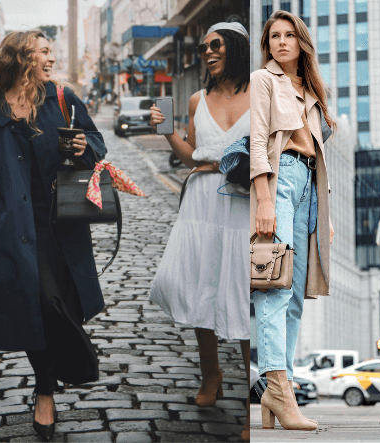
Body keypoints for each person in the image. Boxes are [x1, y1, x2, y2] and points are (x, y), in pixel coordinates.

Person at [0, 29, 107, 441]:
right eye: (43, 51)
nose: (51, 58)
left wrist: (82, 148)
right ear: (20, 58)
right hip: (16, 229)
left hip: (65, 224)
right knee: (38, 305)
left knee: (63, 304)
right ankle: (47, 387)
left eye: (51, 51)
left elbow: (96, 141)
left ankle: (54, 375)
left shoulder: (60, 97)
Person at [145, 21, 255, 412]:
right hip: (202, 200)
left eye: (216, 45)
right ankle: (212, 376)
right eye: (204, 47)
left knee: (244, 292)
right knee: (199, 283)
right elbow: (192, 155)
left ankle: (252, 394)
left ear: (236, 48)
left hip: (243, 200)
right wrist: (165, 132)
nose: (208, 52)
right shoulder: (196, 100)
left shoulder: (262, 94)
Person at [247, 10, 335, 431]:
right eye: (274, 36)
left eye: (288, 35)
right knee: (274, 289)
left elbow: (319, 156)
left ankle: (273, 393)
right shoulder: (263, 80)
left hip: (308, 189)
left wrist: (325, 212)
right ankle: (280, 391)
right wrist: (263, 197)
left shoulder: (311, 88)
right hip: (279, 182)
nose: (281, 42)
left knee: (296, 293)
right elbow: (259, 139)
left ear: (301, 42)